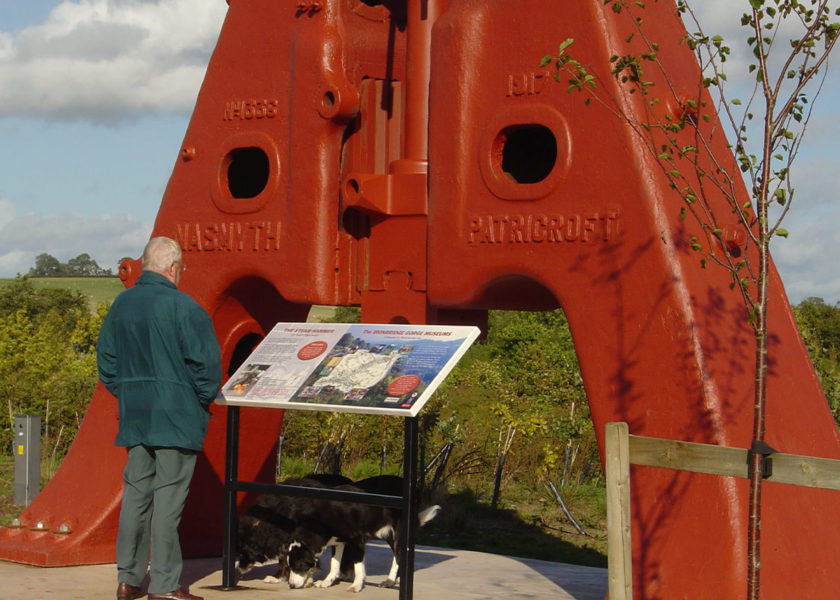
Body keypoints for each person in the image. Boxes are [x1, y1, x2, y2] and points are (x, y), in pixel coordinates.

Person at [97, 237, 222, 600]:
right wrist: (195, 402)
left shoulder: (122, 304)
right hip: (177, 417)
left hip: (136, 417)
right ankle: (165, 586)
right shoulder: (185, 307)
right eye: (180, 268)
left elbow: (107, 364)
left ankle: (128, 580)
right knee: (168, 502)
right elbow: (207, 370)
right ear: (172, 268)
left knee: (136, 498)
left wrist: (132, 392)